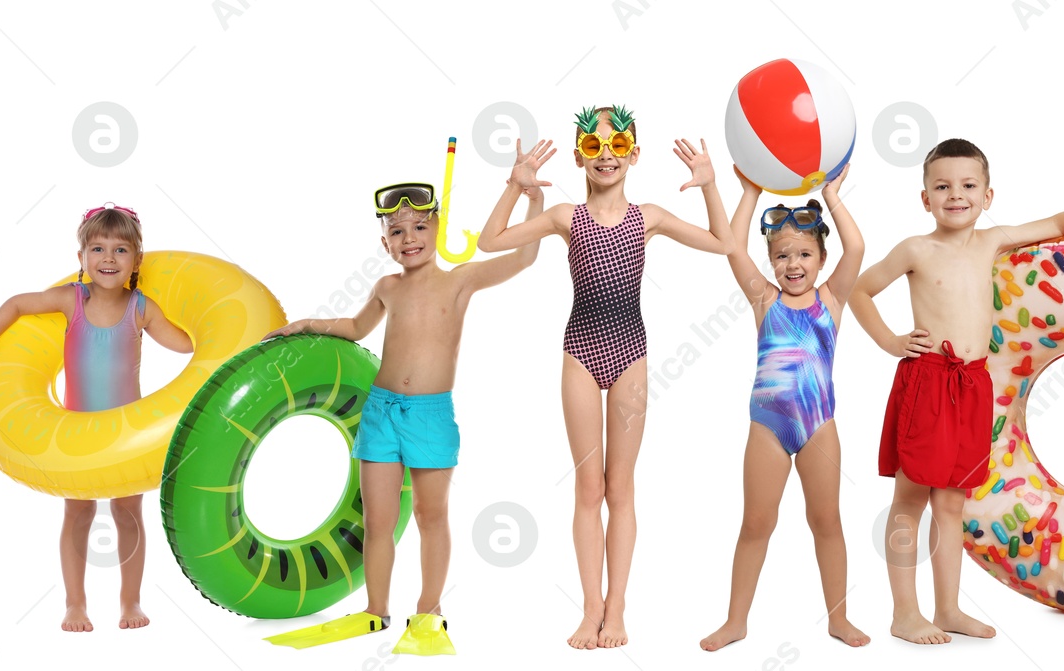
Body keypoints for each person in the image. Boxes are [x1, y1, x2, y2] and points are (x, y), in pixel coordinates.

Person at [849, 139, 1064, 644]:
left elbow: (1059, 223)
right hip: (928, 379)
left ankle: (947, 608)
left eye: (968, 185)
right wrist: (890, 340)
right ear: (924, 198)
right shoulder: (915, 249)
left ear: (988, 195)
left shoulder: (991, 241)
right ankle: (904, 612)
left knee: (952, 504)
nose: (956, 195)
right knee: (909, 499)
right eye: (943, 186)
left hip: (973, 384)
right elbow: (859, 289)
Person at [476, 105, 731, 649]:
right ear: (578, 158)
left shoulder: (650, 217)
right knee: (588, 487)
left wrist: (710, 185)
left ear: (634, 156)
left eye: (617, 147)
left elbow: (724, 244)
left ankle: (617, 608)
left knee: (622, 487)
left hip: (630, 353)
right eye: (594, 147)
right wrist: (518, 187)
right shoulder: (566, 216)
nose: (606, 155)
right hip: (579, 352)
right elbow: (488, 242)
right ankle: (589, 604)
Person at [260, 182, 541, 653]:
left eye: (420, 226)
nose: (409, 237)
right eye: (397, 231)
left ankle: (429, 612)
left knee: (432, 517)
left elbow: (525, 257)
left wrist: (528, 195)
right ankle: (375, 611)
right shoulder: (387, 287)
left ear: (437, 229)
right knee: (378, 520)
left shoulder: (460, 280)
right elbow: (354, 328)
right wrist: (308, 323)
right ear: (384, 243)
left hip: (430, 416)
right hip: (380, 412)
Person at [0, 204, 193, 632]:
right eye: (98, 248)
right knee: (78, 514)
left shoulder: (142, 308)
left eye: (121, 250)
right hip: (76, 434)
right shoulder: (70, 300)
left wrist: (223, 336)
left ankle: (130, 600)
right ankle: (75, 604)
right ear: (82, 258)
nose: (108, 258)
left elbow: (186, 345)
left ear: (137, 261)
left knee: (129, 514)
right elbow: (16, 304)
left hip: (128, 436)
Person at [700, 165, 869, 651]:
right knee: (755, 523)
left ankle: (839, 618)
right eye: (781, 256)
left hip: (819, 426)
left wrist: (832, 196)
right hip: (768, 427)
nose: (793, 264)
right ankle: (736, 621)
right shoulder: (764, 299)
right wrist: (750, 192)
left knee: (827, 521)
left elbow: (856, 248)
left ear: (820, 258)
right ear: (771, 261)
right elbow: (732, 247)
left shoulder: (832, 299)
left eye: (803, 255)